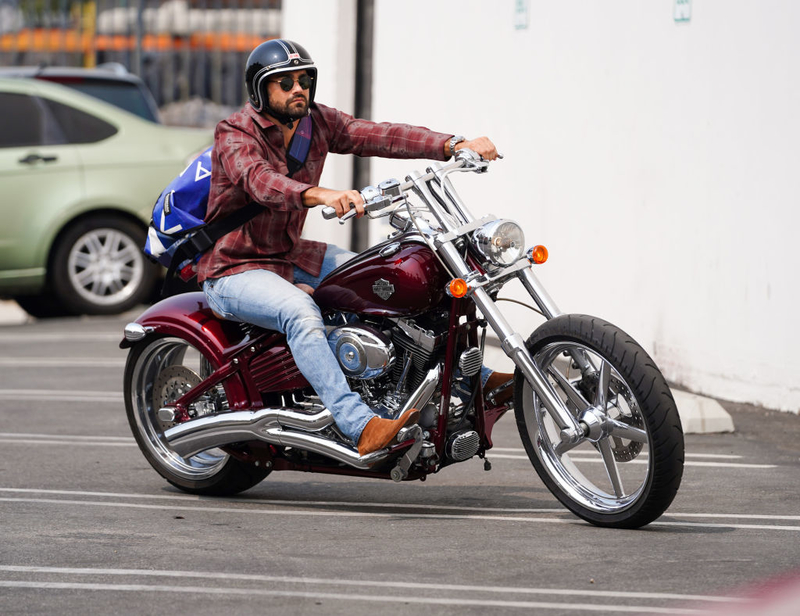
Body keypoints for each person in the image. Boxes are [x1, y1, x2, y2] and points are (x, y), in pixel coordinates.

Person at [198, 39, 510, 457]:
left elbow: (382, 135)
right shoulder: (235, 132)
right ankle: (357, 424)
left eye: (304, 80)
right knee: (299, 312)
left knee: (384, 280)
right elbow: (259, 181)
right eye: (284, 82)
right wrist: (320, 194)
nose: (298, 89)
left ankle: (473, 377)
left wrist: (454, 144)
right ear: (260, 91)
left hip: (292, 256)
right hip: (235, 268)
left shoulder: (317, 122)